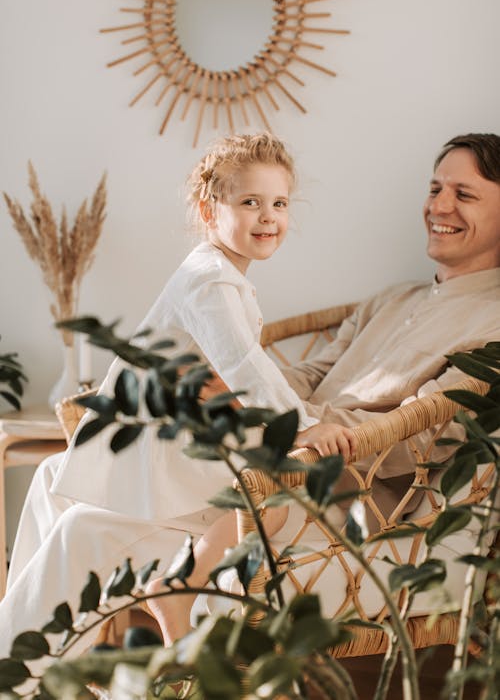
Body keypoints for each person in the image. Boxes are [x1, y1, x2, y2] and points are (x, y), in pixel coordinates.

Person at [1, 132, 499, 660]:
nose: (439, 205)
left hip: (346, 482)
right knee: (55, 476)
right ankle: (31, 665)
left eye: (464, 195)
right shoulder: (392, 298)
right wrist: (232, 395)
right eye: (436, 187)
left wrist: (293, 423)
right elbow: (307, 375)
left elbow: (427, 435)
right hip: (285, 438)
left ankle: (21, 676)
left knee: (84, 526)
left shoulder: (492, 321)